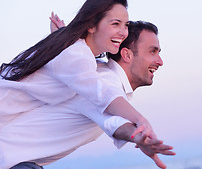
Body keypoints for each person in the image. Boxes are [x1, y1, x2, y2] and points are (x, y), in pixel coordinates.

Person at [0, 20, 175, 169]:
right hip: (13, 161)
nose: (160, 61)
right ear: (127, 54)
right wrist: (139, 137)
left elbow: (75, 55)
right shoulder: (102, 81)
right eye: (153, 51)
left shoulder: (93, 72)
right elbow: (113, 123)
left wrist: (63, 37)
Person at [0, 0, 154, 139]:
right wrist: (140, 120)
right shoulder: (76, 55)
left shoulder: (71, 48)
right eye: (115, 24)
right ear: (91, 26)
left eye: (125, 25)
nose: (123, 32)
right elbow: (101, 93)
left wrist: (60, 33)